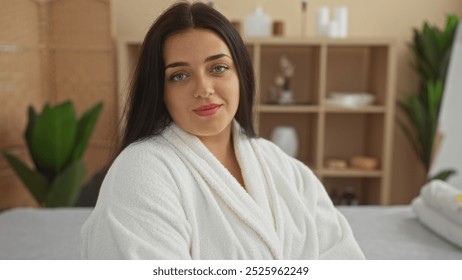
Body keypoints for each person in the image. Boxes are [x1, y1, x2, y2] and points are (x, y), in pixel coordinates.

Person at [80, 1, 365, 260]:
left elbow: (343, 257)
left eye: (218, 68)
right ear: (160, 90)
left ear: (240, 74)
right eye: (179, 75)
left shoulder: (281, 165)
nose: (204, 89)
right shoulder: (141, 171)